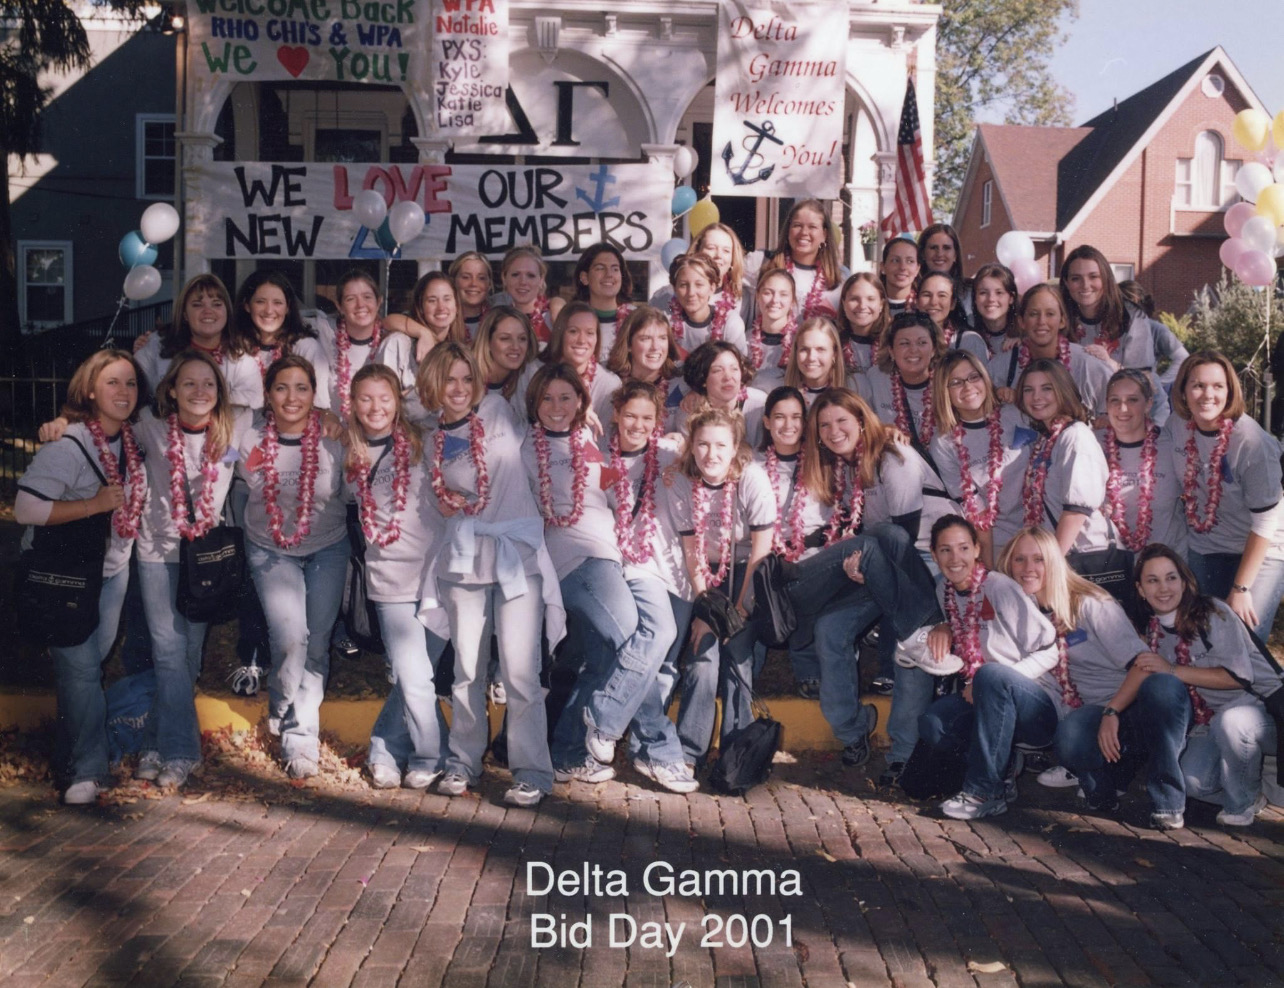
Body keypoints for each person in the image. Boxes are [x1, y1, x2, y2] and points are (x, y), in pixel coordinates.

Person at [521, 364, 679, 791]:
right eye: (547, 398)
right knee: (631, 640)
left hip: (611, 556)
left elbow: (614, 486)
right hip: (576, 560)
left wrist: (672, 460)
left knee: (608, 658)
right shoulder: (525, 449)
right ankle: (656, 748)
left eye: (566, 398)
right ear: (534, 403)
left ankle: (568, 753)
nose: (557, 407)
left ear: (582, 403)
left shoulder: (588, 440)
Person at [416, 343, 562, 806]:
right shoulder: (431, 441)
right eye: (449, 380)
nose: (459, 389)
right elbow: (437, 500)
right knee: (466, 671)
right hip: (465, 560)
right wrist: (444, 504)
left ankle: (532, 771)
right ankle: (463, 762)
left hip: (517, 555)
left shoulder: (500, 410)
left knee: (520, 673)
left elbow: (548, 420)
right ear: (434, 385)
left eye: (466, 378)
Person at [15, 350, 147, 804]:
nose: (123, 392)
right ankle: (88, 773)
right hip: (64, 575)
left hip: (111, 570)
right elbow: (26, 508)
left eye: (130, 383)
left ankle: (67, 762)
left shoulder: (131, 440)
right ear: (89, 390)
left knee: (87, 668)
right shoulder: (68, 445)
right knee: (81, 670)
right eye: (112, 382)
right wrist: (95, 504)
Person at [800, 389, 941, 768]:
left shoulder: (893, 457)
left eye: (842, 421)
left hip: (927, 561)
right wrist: (854, 560)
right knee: (830, 629)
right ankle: (852, 729)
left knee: (911, 632)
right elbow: (859, 530)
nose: (833, 431)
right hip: (878, 564)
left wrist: (859, 556)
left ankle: (904, 752)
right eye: (824, 425)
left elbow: (901, 538)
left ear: (861, 421)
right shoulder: (845, 468)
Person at [133, 351, 249, 789]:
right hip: (157, 551)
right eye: (189, 383)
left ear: (219, 392)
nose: (199, 391)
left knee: (187, 657)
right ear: (172, 390)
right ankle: (183, 751)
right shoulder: (150, 427)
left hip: (204, 560)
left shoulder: (234, 430)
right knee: (168, 651)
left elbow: (280, 429)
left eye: (208, 384)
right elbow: (101, 419)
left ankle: (154, 743)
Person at [237, 356, 348, 778]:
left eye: (302, 388)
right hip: (270, 549)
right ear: (268, 394)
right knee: (290, 637)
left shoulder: (334, 438)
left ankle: (300, 738)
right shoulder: (248, 437)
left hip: (327, 548)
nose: (292, 397)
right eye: (281, 387)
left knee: (316, 641)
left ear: (314, 395)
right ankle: (282, 703)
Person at [343, 364, 447, 790]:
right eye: (366, 398)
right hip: (388, 581)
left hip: (437, 577)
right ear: (352, 404)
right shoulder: (345, 452)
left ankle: (384, 751)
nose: (376, 407)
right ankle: (431, 756)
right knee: (413, 675)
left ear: (398, 401)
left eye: (384, 398)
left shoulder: (425, 441)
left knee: (416, 679)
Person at [919, 515, 1060, 820]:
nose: (955, 559)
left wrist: (988, 682)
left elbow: (1051, 651)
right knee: (934, 723)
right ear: (934, 555)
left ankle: (985, 791)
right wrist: (943, 626)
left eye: (963, 548)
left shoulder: (999, 588)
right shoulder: (943, 590)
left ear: (977, 550)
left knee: (991, 675)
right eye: (945, 550)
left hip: (1037, 706)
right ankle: (1003, 766)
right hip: (987, 698)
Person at [999, 527, 1156, 803]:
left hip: (1121, 707)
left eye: (1039, 559)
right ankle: (1083, 765)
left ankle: (1114, 766)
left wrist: (1113, 711)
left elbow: (1145, 665)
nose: (1028, 568)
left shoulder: (1091, 603)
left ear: (1054, 562)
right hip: (1075, 708)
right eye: (1019, 559)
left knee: (1071, 740)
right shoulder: (1025, 610)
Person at [1130, 546, 1271, 829]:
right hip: (1212, 721)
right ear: (1141, 589)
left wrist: (1171, 669)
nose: (1164, 588)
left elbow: (1238, 678)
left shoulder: (1212, 612)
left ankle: (1242, 802)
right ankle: (1255, 789)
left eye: (1171, 578)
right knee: (1192, 783)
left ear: (1184, 582)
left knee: (1232, 722)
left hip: (1261, 710)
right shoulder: (1155, 630)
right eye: (1153, 580)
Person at [604, 381, 699, 792]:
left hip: (678, 567)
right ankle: (660, 750)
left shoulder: (670, 454)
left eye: (647, 418)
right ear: (616, 415)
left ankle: (643, 751)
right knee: (657, 636)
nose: (638, 425)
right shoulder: (601, 462)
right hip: (637, 566)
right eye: (630, 415)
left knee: (664, 665)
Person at [670, 408, 776, 765]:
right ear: (692, 446)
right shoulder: (682, 481)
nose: (710, 454)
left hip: (747, 572)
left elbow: (761, 551)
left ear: (734, 448)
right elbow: (691, 552)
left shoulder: (752, 478)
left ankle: (736, 752)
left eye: (720, 445)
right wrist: (707, 610)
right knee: (702, 654)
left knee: (739, 654)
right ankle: (690, 751)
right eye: (702, 444)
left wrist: (739, 611)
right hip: (706, 574)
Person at [1167, 350, 1284, 641]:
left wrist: (1241, 589)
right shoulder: (1176, 426)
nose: (1208, 395)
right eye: (1198, 385)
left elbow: (1265, 522)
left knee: (1245, 641)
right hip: (1207, 546)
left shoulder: (1252, 442)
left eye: (1218, 386)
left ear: (1230, 391)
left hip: (1261, 548)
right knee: (1205, 637)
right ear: (1183, 390)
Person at [755, 386, 833, 697]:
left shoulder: (823, 460)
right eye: (779, 417)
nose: (788, 425)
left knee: (807, 587)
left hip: (814, 554)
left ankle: (808, 668)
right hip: (768, 554)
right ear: (766, 422)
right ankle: (747, 677)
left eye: (796, 417)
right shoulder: (751, 465)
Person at [929, 351, 1030, 567]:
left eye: (974, 377)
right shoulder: (944, 443)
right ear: (944, 391)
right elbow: (977, 512)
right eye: (956, 382)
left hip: (1040, 532)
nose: (968, 387)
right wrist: (990, 571)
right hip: (999, 545)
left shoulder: (1016, 414)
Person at [1016, 359, 1115, 565]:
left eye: (1047, 388)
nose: (1036, 397)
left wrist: (1052, 566)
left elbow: (1076, 511)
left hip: (1084, 556)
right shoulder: (1047, 438)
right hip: (1061, 554)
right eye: (1028, 390)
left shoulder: (1075, 436)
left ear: (1063, 390)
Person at [1059, 245, 1167, 424]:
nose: (1085, 285)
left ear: (1106, 278)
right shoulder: (1060, 315)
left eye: (1093, 276)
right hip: (1088, 414)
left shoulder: (1131, 316)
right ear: (1066, 282)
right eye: (1076, 278)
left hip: (1140, 414)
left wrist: (1111, 364)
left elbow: (1144, 380)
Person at [988, 283, 1113, 418]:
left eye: (1050, 314)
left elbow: (1115, 415)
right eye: (1033, 314)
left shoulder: (1088, 366)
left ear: (1062, 321)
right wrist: (998, 395)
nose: (1041, 321)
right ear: (1021, 321)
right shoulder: (1001, 366)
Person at [1097, 369, 1184, 558]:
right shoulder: (1093, 446)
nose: (1123, 408)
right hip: (1113, 565)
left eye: (1132, 400)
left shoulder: (1171, 444)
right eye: (1115, 400)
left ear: (1148, 404)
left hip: (1167, 564)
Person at [229, 270, 331, 408]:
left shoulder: (306, 347)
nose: (269, 310)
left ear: (288, 307)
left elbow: (320, 406)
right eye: (260, 302)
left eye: (277, 303)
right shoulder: (235, 348)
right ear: (247, 305)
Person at [377, 271, 465, 427]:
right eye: (432, 300)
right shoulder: (399, 344)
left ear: (456, 305)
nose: (441, 307)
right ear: (421, 307)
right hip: (404, 438)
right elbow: (383, 405)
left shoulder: (459, 350)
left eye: (447, 299)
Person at [517, 302, 622, 430]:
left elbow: (605, 438)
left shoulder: (609, 384)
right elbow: (520, 425)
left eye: (589, 333)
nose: (582, 340)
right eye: (573, 331)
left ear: (597, 338)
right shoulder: (532, 371)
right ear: (560, 334)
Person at [749, 198, 843, 321]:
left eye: (812, 227)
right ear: (788, 230)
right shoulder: (761, 261)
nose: (804, 232)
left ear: (824, 234)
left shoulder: (841, 277)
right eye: (797, 225)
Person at [604, 305, 683, 432]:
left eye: (662, 338)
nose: (655, 347)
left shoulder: (683, 380)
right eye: (645, 339)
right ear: (629, 344)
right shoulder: (608, 381)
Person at [675, 341, 767, 448]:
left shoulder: (759, 404)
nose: (728, 377)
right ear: (702, 378)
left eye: (734, 369)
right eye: (718, 370)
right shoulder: (689, 413)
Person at [323, 269, 385, 421]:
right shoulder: (326, 337)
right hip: (338, 431)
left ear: (379, 302)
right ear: (339, 306)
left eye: (367, 297)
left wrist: (423, 333)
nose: (360, 305)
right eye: (350, 299)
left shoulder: (391, 342)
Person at [665, 254, 746, 356]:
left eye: (699, 285)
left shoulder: (730, 323)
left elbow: (739, 363)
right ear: (675, 288)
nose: (691, 293)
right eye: (683, 285)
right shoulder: (667, 323)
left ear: (712, 288)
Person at [493, 244, 564, 344]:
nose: (523, 282)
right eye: (515, 275)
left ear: (541, 279)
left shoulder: (555, 316)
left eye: (530, 275)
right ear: (504, 278)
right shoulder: (495, 318)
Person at [472, 305, 536, 414]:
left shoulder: (527, 377)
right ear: (487, 342)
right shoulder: (467, 377)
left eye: (522, 339)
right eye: (505, 338)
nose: (515, 346)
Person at [574, 242, 634, 356]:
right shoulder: (572, 318)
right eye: (600, 268)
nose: (609, 274)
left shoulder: (636, 318)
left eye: (615, 269)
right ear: (584, 278)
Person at [744, 268, 798, 394]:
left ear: (792, 301)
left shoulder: (799, 342)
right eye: (768, 293)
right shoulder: (745, 340)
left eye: (783, 294)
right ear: (757, 296)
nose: (775, 300)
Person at [915, 272, 989, 363]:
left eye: (942, 295)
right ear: (917, 301)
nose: (933, 302)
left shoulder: (969, 341)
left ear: (953, 303)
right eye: (927, 295)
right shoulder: (904, 337)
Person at [783, 317, 848, 405]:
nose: (811, 358)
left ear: (834, 354)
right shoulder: (777, 387)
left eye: (820, 349)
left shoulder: (854, 387)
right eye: (804, 349)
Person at [835, 272, 890, 375]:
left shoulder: (892, 343)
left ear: (881, 304)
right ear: (843, 303)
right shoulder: (833, 342)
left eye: (870, 299)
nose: (862, 306)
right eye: (854, 299)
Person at [969, 263, 1019, 357]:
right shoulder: (965, 332)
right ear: (975, 298)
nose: (991, 299)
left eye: (999, 293)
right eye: (983, 293)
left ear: (1011, 298)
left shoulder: (1025, 333)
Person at [449, 251, 493, 340]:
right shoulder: (443, 319)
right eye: (466, 277)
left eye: (481, 278)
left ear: (489, 284)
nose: (474, 284)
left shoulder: (498, 319)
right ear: (453, 281)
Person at [880, 236, 920, 316]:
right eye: (895, 260)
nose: (902, 267)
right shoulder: (869, 304)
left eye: (910, 261)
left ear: (917, 269)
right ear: (883, 266)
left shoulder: (923, 306)